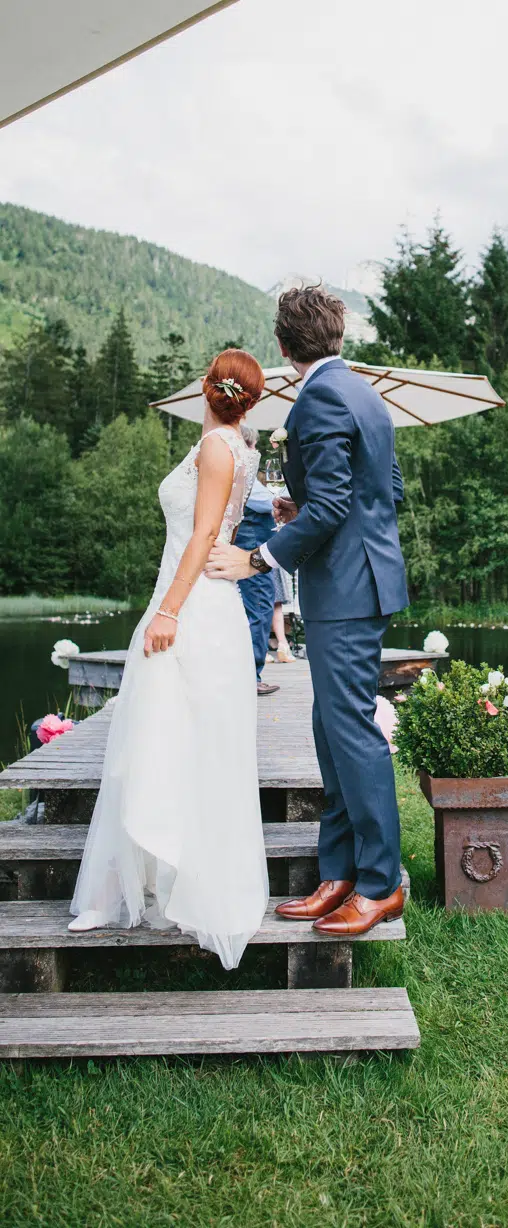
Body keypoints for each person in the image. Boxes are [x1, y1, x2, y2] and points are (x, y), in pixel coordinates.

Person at [207, 286, 409, 936]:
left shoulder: (319, 397)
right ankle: (339, 872)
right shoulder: (364, 393)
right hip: (358, 580)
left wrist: (259, 558)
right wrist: (313, 508)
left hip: (345, 589)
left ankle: (379, 884)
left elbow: (331, 506)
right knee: (331, 729)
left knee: (350, 732)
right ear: (337, 335)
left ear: (283, 345)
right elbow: (385, 489)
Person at [68, 350, 270, 970]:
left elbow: (206, 533)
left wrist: (168, 612)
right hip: (206, 604)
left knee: (156, 738)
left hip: (193, 609)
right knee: (166, 737)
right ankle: (138, 880)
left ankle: (156, 883)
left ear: (209, 390)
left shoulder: (216, 449)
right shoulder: (239, 445)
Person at [235, 425, 294, 698]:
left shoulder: (242, 474)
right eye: (252, 445)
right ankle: (252, 676)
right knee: (260, 605)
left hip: (251, 545)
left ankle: (249, 672)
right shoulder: (242, 475)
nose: (256, 450)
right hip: (252, 548)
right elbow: (265, 500)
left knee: (259, 604)